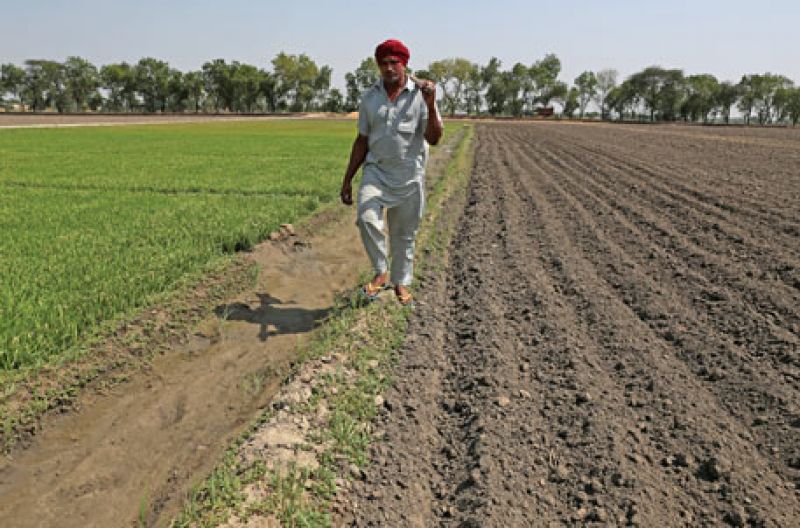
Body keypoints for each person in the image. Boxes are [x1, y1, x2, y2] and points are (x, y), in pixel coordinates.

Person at [340, 39, 443, 307]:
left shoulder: (422, 95)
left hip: (409, 175)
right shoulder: (370, 97)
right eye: (383, 63)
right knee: (366, 218)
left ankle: (401, 282)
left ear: (404, 64)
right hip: (376, 171)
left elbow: (434, 138)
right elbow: (362, 139)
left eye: (394, 62)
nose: (389, 68)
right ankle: (380, 271)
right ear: (378, 66)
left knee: (404, 233)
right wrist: (348, 178)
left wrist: (431, 105)